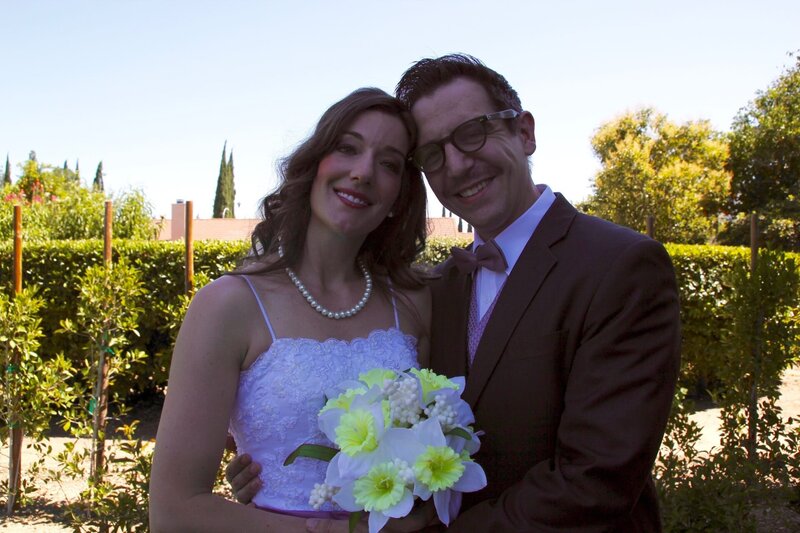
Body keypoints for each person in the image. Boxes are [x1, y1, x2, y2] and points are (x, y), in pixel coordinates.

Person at [229, 54, 681, 532]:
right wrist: (276, 469)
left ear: (524, 132)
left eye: (472, 132)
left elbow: (596, 480)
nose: (458, 165)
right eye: (433, 155)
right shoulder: (435, 287)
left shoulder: (621, 266)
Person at [149, 87, 431, 532]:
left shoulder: (415, 303)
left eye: (389, 163)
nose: (363, 172)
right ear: (314, 161)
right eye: (347, 148)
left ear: (400, 196)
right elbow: (174, 511)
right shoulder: (229, 305)